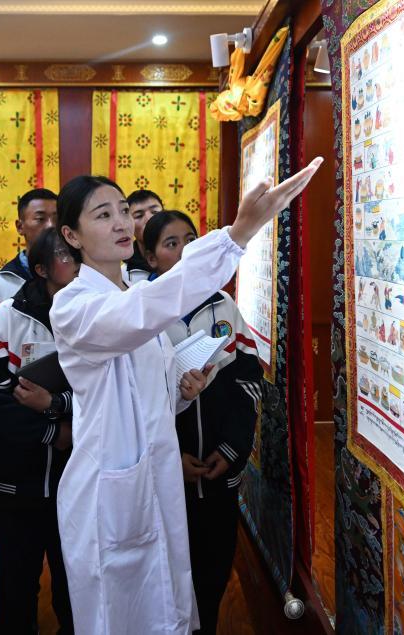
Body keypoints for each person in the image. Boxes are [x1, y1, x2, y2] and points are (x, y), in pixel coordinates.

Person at [50, 157, 322, 634]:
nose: (121, 223)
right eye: (103, 215)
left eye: (122, 210)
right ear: (72, 236)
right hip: (110, 486)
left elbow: (145, 397)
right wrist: (236, 235)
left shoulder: (132, 293)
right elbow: (140, 314)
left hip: (156, 474)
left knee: (166, 604)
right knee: (117, 612)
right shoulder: (73, 305)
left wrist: (179, 392)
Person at [143, 210, 263, 634]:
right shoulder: (140, 312)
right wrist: (169, 457)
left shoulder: (222, 305)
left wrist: (230, 449)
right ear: (150, 257)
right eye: (170, 244)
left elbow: (248, 382)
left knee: (213, 567)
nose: (183, 251)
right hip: (164, 474)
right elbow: (134, 402)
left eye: (190, 241)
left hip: (218, 470)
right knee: (166, 573)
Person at [0, 227, 77, 633]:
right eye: (65, 254)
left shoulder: (98, 316)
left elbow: (114, 397)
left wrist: (53, 403)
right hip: (15, 480)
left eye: (79, 253)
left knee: (76, 585)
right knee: (16, 584)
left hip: (78, 479)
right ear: (40, 269)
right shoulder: (9, 315)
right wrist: (55, 432)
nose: (77, 262)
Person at [0, 188, 58, 332]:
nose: (51, 225)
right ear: (20, 227)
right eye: (40, 219)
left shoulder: (75, 275)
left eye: (57, 219)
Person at [123, 189, 163, 282]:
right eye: (139, 216)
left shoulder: (183, 260)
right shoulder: (122, 277)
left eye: (155, 212)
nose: (149, 219)